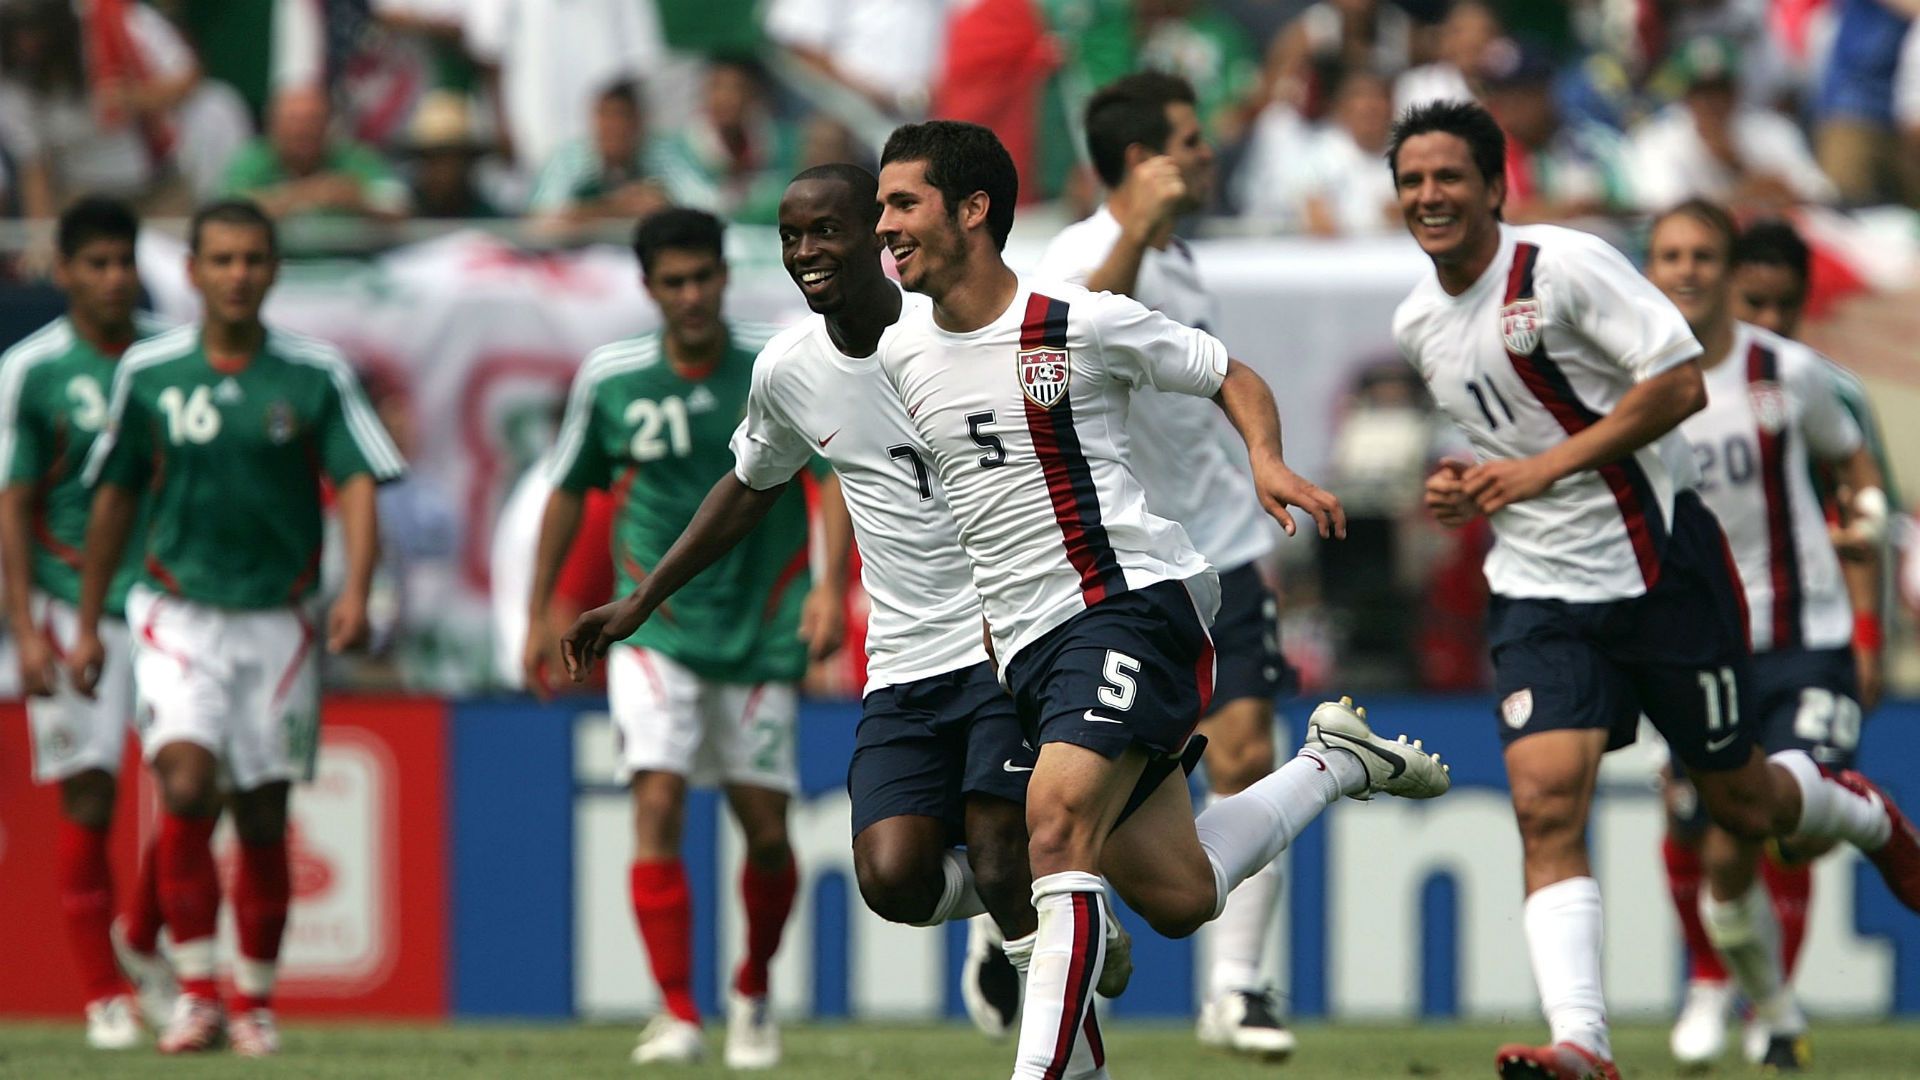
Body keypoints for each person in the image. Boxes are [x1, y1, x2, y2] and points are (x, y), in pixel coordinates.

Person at [869, 119, 1450, 1080]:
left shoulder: (1077, 319)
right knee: (1181, 895)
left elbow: (1230, 374)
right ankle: (1335, 765)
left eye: (902, 204)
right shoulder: (903, 358)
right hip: (1025, 648)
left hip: (1129, 604)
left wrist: (1266, 458)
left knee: (1051, 827)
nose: (883, 226)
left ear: (973, 211)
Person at [1392, 100, 1919, 1080]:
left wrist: (1542, 473)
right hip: (1541, 593)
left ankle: (1867, 818)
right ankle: (1584, 1043)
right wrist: (1465, 483)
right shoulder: (1419, 324)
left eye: (1450, 176)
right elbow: (1510, 438)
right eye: (1414, 180)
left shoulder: (1566, 268)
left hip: (1663, 573)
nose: (1431, 195)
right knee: (1545, 805)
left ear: (1496, 187)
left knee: (1747, 805)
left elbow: (1677, 383)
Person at [560, 163, 1105, 1041]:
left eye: (828, 230)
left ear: (880, 237)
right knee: (893, 878)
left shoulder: (960, 334)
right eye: (791, 236)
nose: (808, 251)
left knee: (1009, 853)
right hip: (903, 662)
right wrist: (639, 600)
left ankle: (1058, 985)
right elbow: (748, 486)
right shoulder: (790, 370)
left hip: (1009, 640)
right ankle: (1054, 915)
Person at [70, 198, 405, 1056]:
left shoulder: (314, 375)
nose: (238, 275)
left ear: (274, 269)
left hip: (280, 620)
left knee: (261, 813)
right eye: (221, 260)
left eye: (253, 259)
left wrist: (356, 589)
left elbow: (361, 482)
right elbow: (112, 496)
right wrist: (84, 622)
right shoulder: (148, 372)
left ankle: (254, 1000)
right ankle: (194, 992)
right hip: (176, 613)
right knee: (184, 783)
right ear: (192, 271)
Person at [526, 207, 837, 1069]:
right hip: (655, 623)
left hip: (763, 622)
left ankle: (754, 991)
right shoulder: (614, 379)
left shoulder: (773, 368)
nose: (693, 295)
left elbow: (834, 471)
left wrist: (827, 588)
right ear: (650, 288)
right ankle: (677, 1012)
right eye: (675, 282)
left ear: (723, 279)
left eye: (705, 278)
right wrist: (539, 607)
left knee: (767, 828)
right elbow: (569, 489)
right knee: (655, 801)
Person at [1033, 71, 1296, 1060]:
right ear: (1141, 162)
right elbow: (1068, 346)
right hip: (1123, 568)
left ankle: (1237, 989)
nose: (1205, 152)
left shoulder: (1187, 260)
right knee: (1088, 790)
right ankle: (1025, 936)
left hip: (1222, 548)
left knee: (1245, 750)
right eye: (1187, 140)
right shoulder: (1070, 257)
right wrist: (1135, 231)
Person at [1647, 199, 1889, 1071]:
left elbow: (1853, 458)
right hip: (1703, 643)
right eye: (1670, 255)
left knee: (1794, 824)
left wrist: (1864, 535)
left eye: (1702, 255)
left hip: (1807, 634)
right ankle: (1747, 996)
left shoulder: (1790, 372)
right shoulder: (1641, 386)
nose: (1687, 271)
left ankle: (1739, 987)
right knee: (1707, 831)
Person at [0, 197, 173, 1049]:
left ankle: (140, 938)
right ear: (63, 270)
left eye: (124, 260)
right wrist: (25, 631)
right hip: (71, 606)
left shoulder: (171, 357)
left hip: (171, 601)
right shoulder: (31, 370)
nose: (113, 278)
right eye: (95, 263)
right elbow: (13, 501)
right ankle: (106, 993)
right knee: (91, 792)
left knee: (190, 782)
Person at [220, 85, 411, 223]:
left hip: (347, 266)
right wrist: (298, 196)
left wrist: (358, 199)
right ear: (272, 125)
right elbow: (226, 212)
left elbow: (398, 204)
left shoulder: (354, 158)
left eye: (313, 120)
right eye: (293, 121)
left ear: (329, 125)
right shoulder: (252, 159)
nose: (303, 130)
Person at [527, 79, 672, 227]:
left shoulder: (662, 153)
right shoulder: (568, 158)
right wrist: (615, 208)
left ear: (640, 121)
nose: (613, 126)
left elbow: (695, 207)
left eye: (622, 115)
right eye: (604, 115)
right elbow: (541, 222)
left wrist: (665, 206)